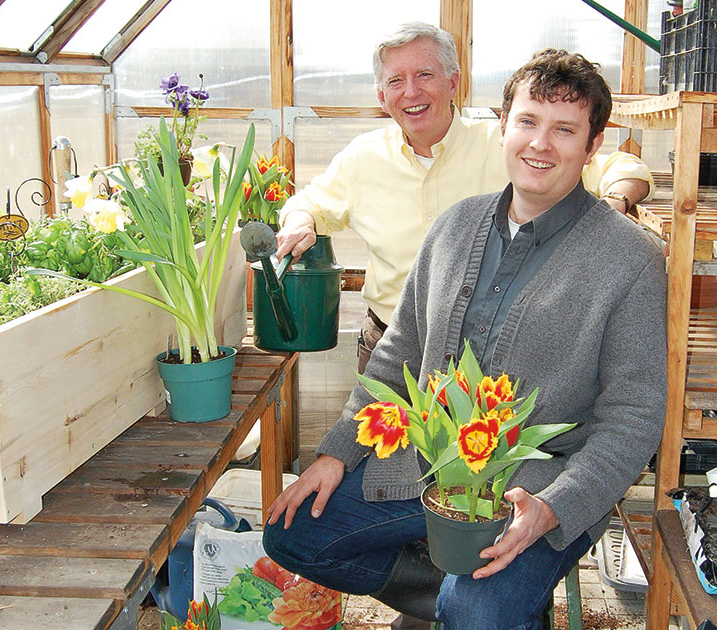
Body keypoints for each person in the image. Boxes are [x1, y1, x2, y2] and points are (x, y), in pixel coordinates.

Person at [263, 48, 667, 630]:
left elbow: (632, 415)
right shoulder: (455, 227)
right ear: (502, 127)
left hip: (533, 492)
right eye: (527, 122)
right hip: (421, 471)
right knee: (292, 533)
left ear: (593, 144)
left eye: (564, 130)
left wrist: (556, 508)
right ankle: (460, 600)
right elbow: (395, 356)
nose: (540, 144)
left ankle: (476, 607)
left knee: (478, 612)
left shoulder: (629, 258)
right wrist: (336, 452)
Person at [275, 22, 654, 373]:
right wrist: (299, 221)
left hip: (486, 353)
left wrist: (615, 204)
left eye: (425, 75)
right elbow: (308, 204)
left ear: (454, 82)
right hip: (389, 345)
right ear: (381, 95)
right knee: (378, 443)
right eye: (396, 80)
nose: (411, 92)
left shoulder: (511, 145)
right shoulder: (362, 158)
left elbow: (624, 167)